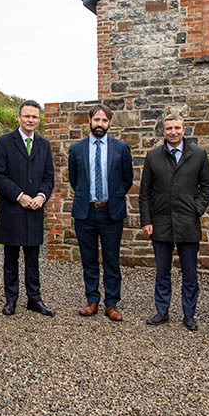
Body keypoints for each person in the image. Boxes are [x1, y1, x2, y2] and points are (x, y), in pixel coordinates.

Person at [139, 114, 209, 331]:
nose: (173, 132)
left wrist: (196, 209)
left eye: (177, 128)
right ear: (163, 131)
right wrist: (146, 220)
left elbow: (207, 186)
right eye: (169, 128)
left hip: (188, 222)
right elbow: (145, 192)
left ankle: (189, 314)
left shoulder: (198, 155)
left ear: (184, 129)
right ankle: (162, 311)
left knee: (189, 272)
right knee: (163, 271)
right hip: (160, 222)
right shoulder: (153, 156)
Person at [68, 104, 133, 321]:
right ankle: (92, 300)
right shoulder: (77, 149)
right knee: (89, 259)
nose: (100, 124)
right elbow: (74, 180)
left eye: (104, 121)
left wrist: (113, 197)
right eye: (97, 120)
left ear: (109, 123)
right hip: (86, 212)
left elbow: (127, 180)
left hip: (110, 212)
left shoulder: (121, 148)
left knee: (111, 259)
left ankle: (112, 304)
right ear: (90, 120)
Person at [0, 100, 55, 317]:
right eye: (27, 116)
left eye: (35, 117)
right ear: (18, 117)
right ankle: (11, 299)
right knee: (10, 258)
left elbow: (49, 177)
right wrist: (19, 196)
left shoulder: (44, 145)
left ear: (39, 119)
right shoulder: (4, 142)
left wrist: (41, 196)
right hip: (12, 209)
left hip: (35, 209)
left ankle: (34, 299)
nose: (30, 120)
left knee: (33, 258)